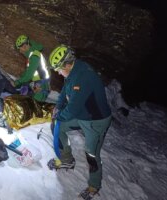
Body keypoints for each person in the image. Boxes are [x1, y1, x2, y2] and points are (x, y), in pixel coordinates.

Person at [47, 45, 112, 200]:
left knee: (91, 153)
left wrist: (59, 115)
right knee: (58, 126)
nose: (57, 71)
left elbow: (73, 109)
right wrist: (58, 107)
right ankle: (67, 160)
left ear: (67, 64)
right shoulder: (72, 71)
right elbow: (64, 91)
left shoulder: (84, 77)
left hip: (96, 121)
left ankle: (94, 186)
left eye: (58, 68)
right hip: (83, 116)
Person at [13, 35, 50, 102]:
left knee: (35, 105)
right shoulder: (31, 55)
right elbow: (28, 71)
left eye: (20, 49)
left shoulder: (35, 56)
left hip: (41, 85)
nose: (20, 52)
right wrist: (21, 78)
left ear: (24, 46)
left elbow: (29, 75)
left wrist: (17, 82)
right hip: (38, 83)